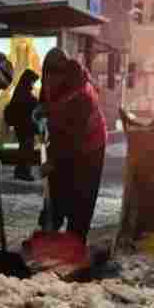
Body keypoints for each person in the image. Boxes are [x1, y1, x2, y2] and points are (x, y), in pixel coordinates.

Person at [37, 48, 108, 241]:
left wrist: (52, 161)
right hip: (64, 140)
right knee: (54, 191)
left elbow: (73, 139)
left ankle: (75, 241)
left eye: (53, 76)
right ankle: (48, 231)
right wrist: (41, 112)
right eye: (46, 76)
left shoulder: (81, 95)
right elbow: (46, 102)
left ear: (64, 73)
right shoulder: (52, 82)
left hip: (90, 147)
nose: (48, 81)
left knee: (81, 197)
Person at [4, 68, 41, 181]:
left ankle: (21, 170)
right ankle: (23, 172)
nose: (33, 84)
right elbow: (26, 105)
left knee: (25, 147)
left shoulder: (20, 90)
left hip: (22, 125)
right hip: (24, 125)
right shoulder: (23, 92)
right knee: (26, 148)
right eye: (33, 81)